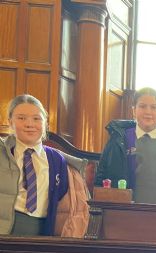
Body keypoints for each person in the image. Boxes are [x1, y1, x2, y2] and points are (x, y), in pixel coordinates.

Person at [0, 94, 90, 237]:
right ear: (10, 122)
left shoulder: (57, 160)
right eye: (21, 118)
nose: (29, 124)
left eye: (36, 119)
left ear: (45, 123)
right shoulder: (3, 152)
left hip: (42, 232)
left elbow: (60, 197)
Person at [95, 87, 156, 205]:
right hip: (124, 213)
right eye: (142, 106)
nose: (148, 112)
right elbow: (101, 177)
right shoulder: (118, 139)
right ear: (134, 110)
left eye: (154, 107)